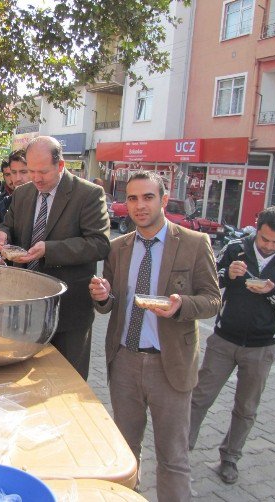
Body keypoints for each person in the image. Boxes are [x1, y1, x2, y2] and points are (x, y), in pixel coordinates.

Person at [89, 170, 220, 501]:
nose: (139, 205)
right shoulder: (117, 248)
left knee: (173, 458)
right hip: (125, 362)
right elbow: (110, 306)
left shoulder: (193, 243)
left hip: (170, 366)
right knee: (125, 451)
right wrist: (103, 296)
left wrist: (180, 306)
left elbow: (213, 300)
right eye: (132, 198)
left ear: (163, 200)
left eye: (148, 197)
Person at [189, 206, 275, 486]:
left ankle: (230, 457)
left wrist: (273, 291)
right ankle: (181, 451)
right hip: (223, 339)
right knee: (199, 397)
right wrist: (227, 274)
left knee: (246, 407)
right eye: (264, 239)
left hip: (262, 346)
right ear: (256, 229)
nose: (268, 246)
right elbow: (207, 283)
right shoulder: (235, 248)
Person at [0, 136, 110, 379]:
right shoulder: (23, 194)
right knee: (20, 380)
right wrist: (1, 234)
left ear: (61, 165)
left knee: (67, 383)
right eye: (31, 170)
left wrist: (50, 249)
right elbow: (7, 225)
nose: (36, 178)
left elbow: (99, 244)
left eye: (43, 171)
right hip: (24, 305)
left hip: (68, 310)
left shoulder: (88, 194)